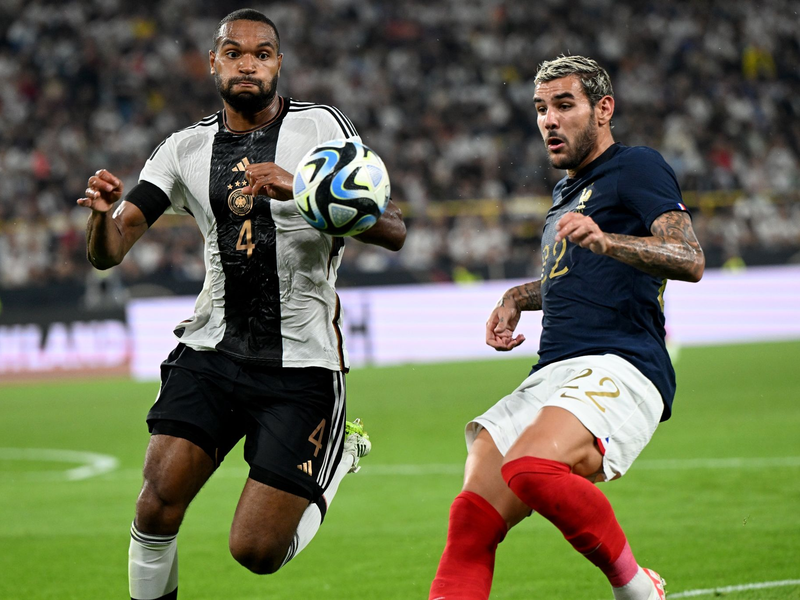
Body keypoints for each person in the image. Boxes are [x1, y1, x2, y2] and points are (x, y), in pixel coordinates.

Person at [78, 9, 406, 600]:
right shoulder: (183, 149)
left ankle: (338, 457)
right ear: (213, 63)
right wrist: (103, 218)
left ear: (279, 63)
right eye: (233, 52)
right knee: (155, 506)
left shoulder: (324, 129)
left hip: (302, 363)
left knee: (255, 552)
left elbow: (394, 228)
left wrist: (306, 191)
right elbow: (111, 251)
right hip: (211, 351)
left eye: (261, 53)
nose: (247, 63)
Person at [429, 55, 704, 600]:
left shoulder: (637, 166)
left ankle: (636, 589)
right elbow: (571, 279)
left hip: (621, 363)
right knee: (471, 520)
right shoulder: (562, 200)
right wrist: (515, 297)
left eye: (563, 105)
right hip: (552, 370)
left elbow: (689, 256)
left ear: (603, 110)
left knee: (531, 468)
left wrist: (609, 240)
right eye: (539, 109)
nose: (548, 120)